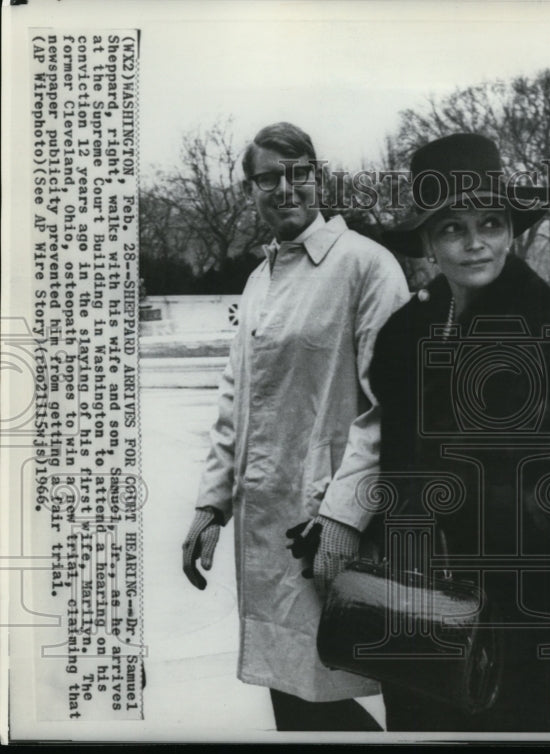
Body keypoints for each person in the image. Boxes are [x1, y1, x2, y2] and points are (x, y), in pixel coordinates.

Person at [371, 133, 550, 732]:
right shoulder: (403, 339)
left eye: (490, 223)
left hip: (537, 598)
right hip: (426, 594)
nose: (474, 242)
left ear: (512, 232)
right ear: (430, 242)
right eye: (452, 228)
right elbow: (392, 456)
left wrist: (541, 519)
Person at [180, 122, 410, 731]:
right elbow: (235, 400)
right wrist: (211, 507)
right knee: (289, 690)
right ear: (249, 190)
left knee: (331, 686)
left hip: (324, 530)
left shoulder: (367, 266)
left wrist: (344, 513)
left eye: (297, 172)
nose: (285, 188)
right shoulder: (261, 280)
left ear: (318, 177)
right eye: (267, 177)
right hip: (264, 526)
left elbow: (390, 405)